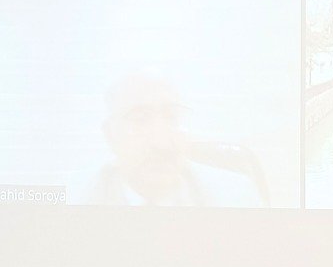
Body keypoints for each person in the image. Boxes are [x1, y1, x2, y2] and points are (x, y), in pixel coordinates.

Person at [69, 75, 269, 207]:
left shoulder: (237, 197)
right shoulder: (73, 203)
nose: (162, 144)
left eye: (172, 118)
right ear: (111, 135)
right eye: (140, 120)